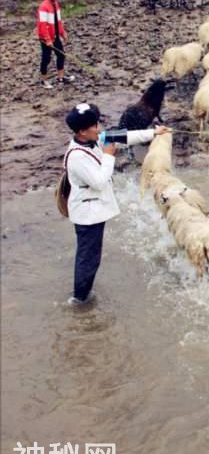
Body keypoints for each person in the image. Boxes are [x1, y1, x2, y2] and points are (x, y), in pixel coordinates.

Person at [63, 102, 171, 305]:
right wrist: (108, 156)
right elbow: (98, 181)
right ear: (81, 132)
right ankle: (79, 299)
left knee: (91, 255)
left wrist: (154, 133)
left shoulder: (94, 139)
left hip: (94, 209)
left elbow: (126, 136)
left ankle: (84, 294)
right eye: (94, 126)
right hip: (87, 215)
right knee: (88, 258)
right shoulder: (77, 157)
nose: (99, 128)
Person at [37, 0, 75, 88]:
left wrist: (63, 33)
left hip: (55, 35)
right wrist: (48, 40)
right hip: (45, 38)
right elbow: (43, 25)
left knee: (61, 55)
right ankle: (43, 81)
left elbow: (58, 21)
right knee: (46, 59)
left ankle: (61, 77)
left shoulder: (56, 4)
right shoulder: (43, 7)